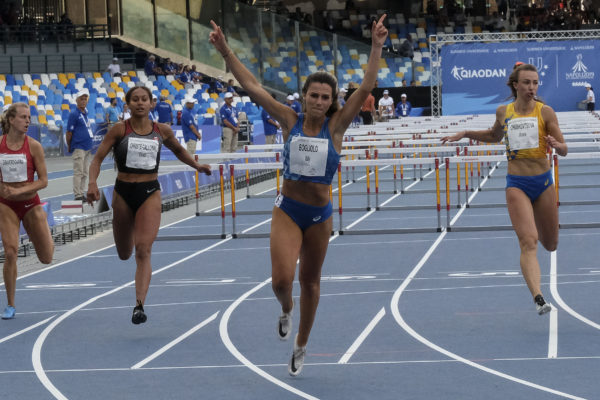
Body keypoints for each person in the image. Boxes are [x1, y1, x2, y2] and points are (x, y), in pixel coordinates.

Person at [209, 14, 388, 376]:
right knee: (281, 281)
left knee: (311, 282)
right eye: (314, 95)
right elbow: (254, 87)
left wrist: (376, 45)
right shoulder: (289, 120)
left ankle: (301, 344)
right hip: (288, 210)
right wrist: (226, 51)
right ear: (304, 96)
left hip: (320, 216)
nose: (319, 101)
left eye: (326, 97)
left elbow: (367, 86)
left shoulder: (336, 126)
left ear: (332, 100)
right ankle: (285, 308)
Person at [441, 63, 568, 315]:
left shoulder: (546, 113)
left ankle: (543, 226)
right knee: (528, 241)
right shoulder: (504, 112)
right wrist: (466, 133)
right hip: (517, 185)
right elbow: (493, 136)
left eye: (535, 83)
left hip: (543, 183)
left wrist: (556, 144)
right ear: (515, 85)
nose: (532, 87)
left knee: (550, 244)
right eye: (527, 82)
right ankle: (538, 297)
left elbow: (564, 149)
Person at [86, 86, 211, 324]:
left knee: (143, 250)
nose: (140, 103)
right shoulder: (119, 129)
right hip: (123, 192)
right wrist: (92, 183)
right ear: (128, 104)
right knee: (125, 253)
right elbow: (97, 159)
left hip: (149, 192)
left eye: (144, 99)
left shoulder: (161, 130)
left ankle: (139, 305)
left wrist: (197, 166)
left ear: (152, 103)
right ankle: (130, 229)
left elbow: (179, 151)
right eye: (135, 100)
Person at [0, 103, 54, 319]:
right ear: (11, 120)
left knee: (46, 258)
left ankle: (45, 235)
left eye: (29, 117)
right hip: (5, 204)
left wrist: (21, 190)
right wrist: (6, 191)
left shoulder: (34, 146)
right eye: (23, 117)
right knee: (11, 251)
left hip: (31, 203)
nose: (27, 121)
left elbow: (43, 181)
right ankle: (10, 304)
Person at [66, 90, 94, 201]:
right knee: (78, 171)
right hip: (79, 146)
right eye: (81, 99)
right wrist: (69, 145)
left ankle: (82, 193)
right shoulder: (74, 114)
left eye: (85, 99)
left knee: (85, 172)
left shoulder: (85, 113)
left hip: (87, 146)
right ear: (76, 100)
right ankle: (77, 195)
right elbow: (69, 132)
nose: (83, 101)